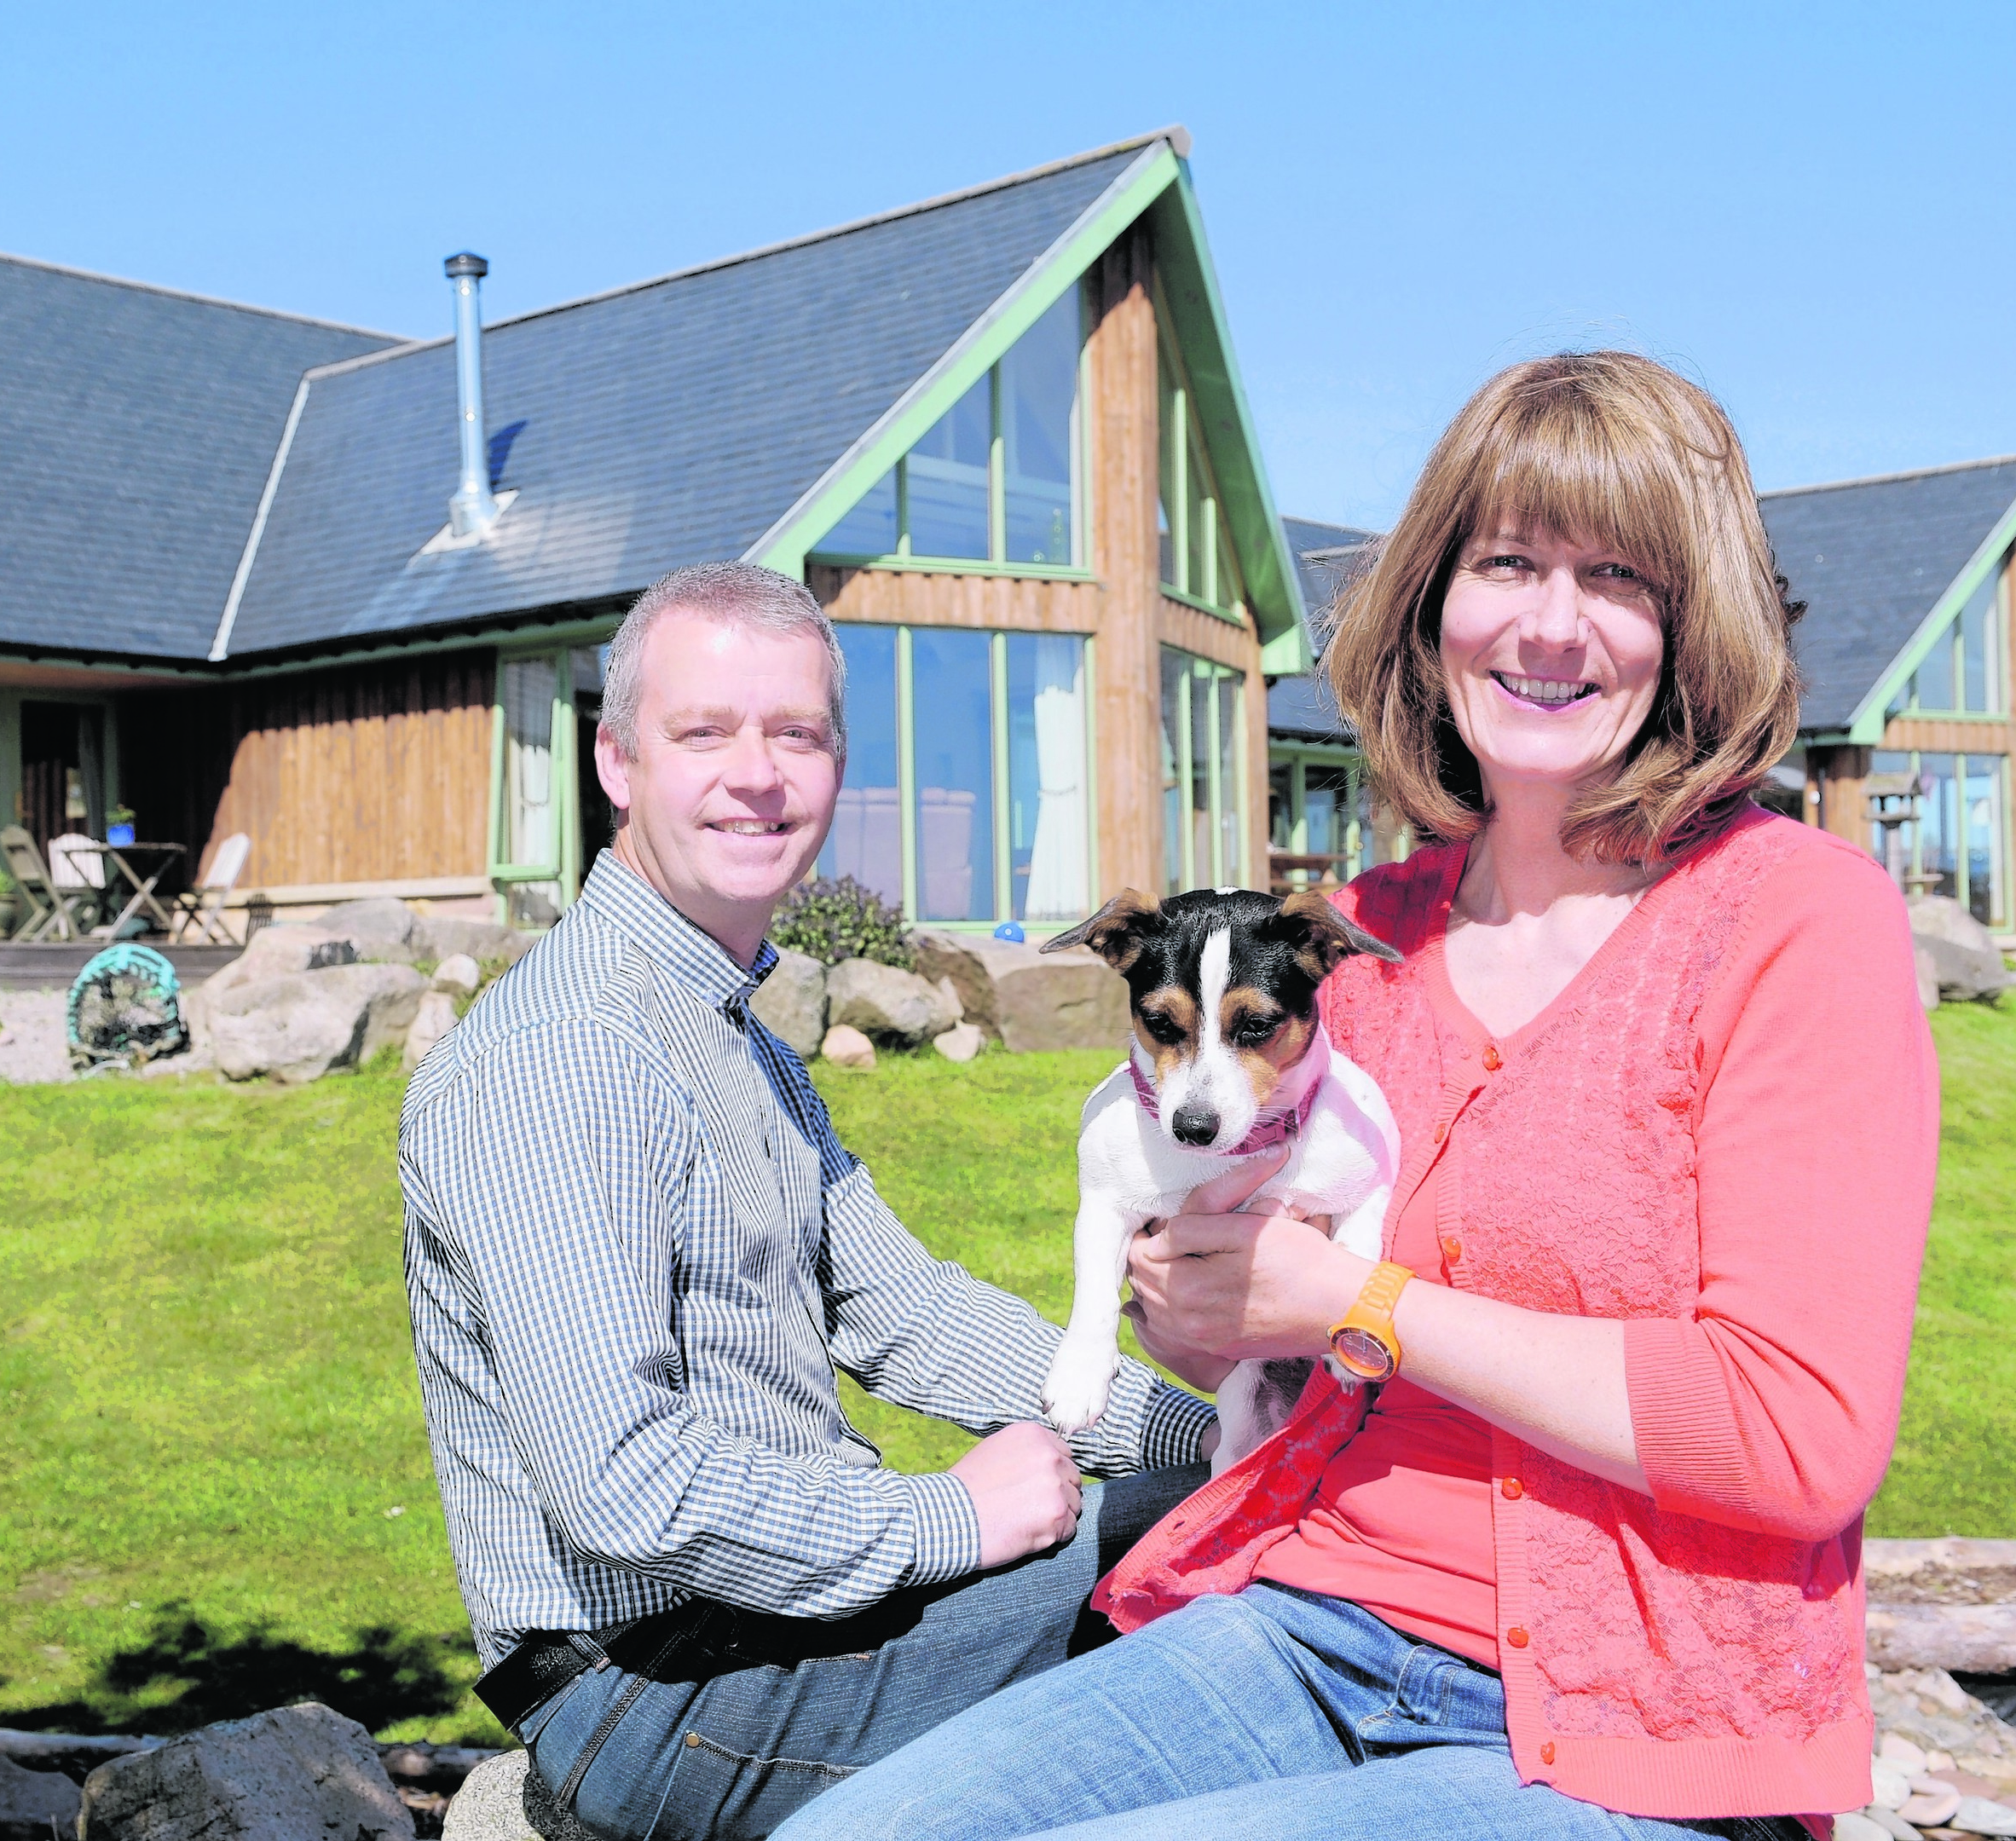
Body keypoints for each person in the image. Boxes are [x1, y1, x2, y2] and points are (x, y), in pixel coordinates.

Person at [777, 353, 1938, 1840]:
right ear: (1431, 604)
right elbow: (1256, 1318)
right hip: (1305, 1620)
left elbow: (1793, 1438)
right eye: (1504, 561)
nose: (1547, 622)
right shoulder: (1355, 947)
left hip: (1628, 1716)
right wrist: (1193, 1306)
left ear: (1692, 621)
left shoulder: (1792, 920)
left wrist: (1347, 1303)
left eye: (1617, 577)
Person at [397, 562, 1215, 1841]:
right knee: (1237, 1581)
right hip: (661, 1689)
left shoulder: (726, 1029)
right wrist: (951, 1517)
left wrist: (1221, 1442)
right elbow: (623, 1490)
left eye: (797, 733)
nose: (758, 773)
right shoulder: (568, 1054)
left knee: (1237, 1509)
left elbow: (907, 1316)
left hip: (776, 1627)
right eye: (704, 732)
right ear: (616, 764)